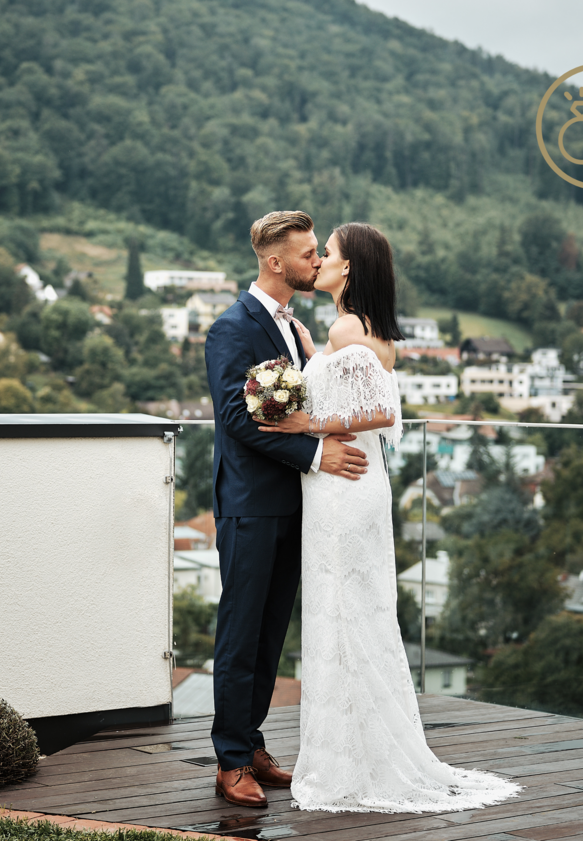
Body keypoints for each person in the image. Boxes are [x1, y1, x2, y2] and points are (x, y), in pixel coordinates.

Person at [260, 222, 520, 813]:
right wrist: (312, 355)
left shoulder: (346, 327)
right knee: (356, 613)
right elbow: (353, 391)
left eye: (327, 252)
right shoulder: (366, 329)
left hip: (341, 484)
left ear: (348, 267)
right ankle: (364, 753)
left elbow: (379, 412)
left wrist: (304, 424)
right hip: (360, 482)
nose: (319, 260)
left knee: (340, 613)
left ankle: (348, 765)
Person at [204, 211, 371, 808]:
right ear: (276, 262)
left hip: (294, 505)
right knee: (240, 635)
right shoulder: (231, 328)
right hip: (250, 506)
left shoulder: (292, 329)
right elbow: (236, 419)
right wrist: (316, 455)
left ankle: (251, 745)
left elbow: (294, 406)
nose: (317, 262)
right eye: (307, 254)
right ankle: (229, 762)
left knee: (270, 634)